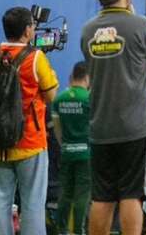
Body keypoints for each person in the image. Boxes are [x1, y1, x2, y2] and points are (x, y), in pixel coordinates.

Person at [80, 0, 146, 235]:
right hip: (136, 126)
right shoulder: (140, 24)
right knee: (132, 194)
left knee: (103, 196)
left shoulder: (87, 30)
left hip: (101, 126)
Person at [0, 7, 59, 235]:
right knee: (33, 202)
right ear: (27, 30)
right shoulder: (35, 57)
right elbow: (51, 94)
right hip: (29, 141)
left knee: (1, 199)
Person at [52, 61, 92, 235]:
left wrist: (65, 145)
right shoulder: (90, 99)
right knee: (82, 195)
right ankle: (79, 230)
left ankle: (61, 230)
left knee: (65, 193)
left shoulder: (59, 99)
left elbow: (57, 129)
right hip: (86, 153)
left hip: (67, 151)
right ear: (87, 77)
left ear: (71, 76)